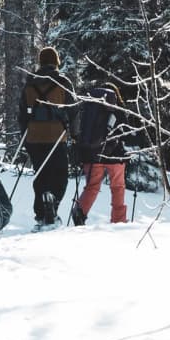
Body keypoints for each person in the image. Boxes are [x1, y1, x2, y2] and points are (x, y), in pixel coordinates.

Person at [19, 46, 75, 229]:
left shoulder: (30, 83)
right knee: (60, 174)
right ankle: (53, 201)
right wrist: (75, 134)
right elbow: (73, 110)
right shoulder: (64, 82)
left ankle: (41, 214)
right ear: (56, 61)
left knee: (40, 174)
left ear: (41, 62)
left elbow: (22, 114)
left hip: (34, 136)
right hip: (57, 135)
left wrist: (25, 138)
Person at [72, 84, 132, 225]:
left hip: (92, 153)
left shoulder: (90, 107)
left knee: (92, 186)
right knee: (117, 187)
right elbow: (125, 131)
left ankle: (80, 211)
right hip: (115, 155)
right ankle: (118, 220)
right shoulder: (117, 107)